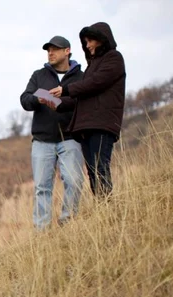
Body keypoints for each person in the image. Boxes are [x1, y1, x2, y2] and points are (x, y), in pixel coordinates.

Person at [50, 22, 126, 198]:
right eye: (86, 42)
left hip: (102, 124)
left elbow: (95, 83)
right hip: (87, 126)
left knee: (100, 168)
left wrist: (66, 89)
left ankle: (108, 209)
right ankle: (102, 208)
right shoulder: (92, 66)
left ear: (102, 39)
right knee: (92, 171)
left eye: (90, 40)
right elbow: (82, 97)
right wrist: (56, 102)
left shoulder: (114, 58)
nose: (88, 45)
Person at [20, 35, 85, 229]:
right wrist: (38, 99)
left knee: (74, 182)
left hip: (71, 138)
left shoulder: (81, 77)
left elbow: (85, 101)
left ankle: (68, 224)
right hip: (42, 140)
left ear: (67, 51)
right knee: (42, 188)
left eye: (55, 49)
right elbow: (24, 100)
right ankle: (43, 232)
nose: (50, 52)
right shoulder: (39, 75)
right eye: (48, 50)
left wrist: (64, 98)